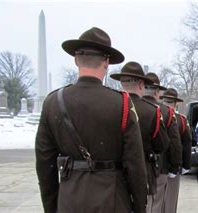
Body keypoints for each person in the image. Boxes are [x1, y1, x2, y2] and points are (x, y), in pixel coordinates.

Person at [35, 27, 148, 212]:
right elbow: (135, 165)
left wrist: (52, 207)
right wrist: (139, 206)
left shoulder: (52, 103)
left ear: (76, 60)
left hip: (69, 200)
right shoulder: (122, 104)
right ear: (106, 62)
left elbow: (44, 166)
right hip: (113, 201)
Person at [110, 62, 170, 212]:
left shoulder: (111, 106)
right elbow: (162, 145)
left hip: (114, 177)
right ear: (141, 84)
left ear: (122, 83)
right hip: (144, 173)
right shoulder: (152, 111)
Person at [144, 73, 182, 213]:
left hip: (132, 167)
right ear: (157, 90)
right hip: (159, 167)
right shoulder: (165, 112)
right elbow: (174, 143)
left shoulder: (128, 106)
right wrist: (175, 166)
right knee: (155, 204)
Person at [160, 88, 192, 213]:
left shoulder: (155, 113)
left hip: (156, 166)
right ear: (176, 103)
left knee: (156, 202)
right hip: (173, 165)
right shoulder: (181, 120)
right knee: (170, 201)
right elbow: (186, 144)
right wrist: (185, 165)